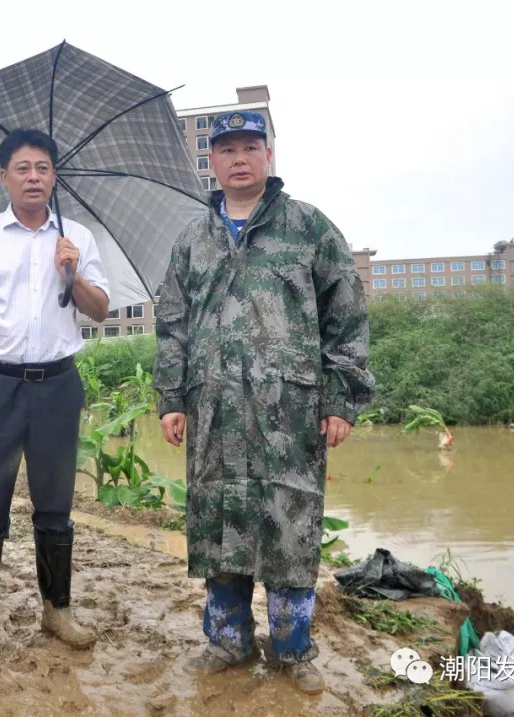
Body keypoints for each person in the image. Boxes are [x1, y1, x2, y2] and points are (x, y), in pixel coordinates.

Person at [153, 110, 375, 695]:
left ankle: (293, 649)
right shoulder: (193, 239)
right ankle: (227, 639)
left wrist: (341, 398)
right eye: (226, 150)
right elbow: (172, 323)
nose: (239, 159)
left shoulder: (308, 227)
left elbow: (346, 316)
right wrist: (171, 398)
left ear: (268, 156)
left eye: (250, 147)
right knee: (219, 524)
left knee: (290, 525)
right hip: (214, 411)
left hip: (291, 414)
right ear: (214, 162)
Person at [0, 128, 111, 663]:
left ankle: (56, 608)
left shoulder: (76, 237)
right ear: (4, 177)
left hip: (59, 385)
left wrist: (75, 271)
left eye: (42, 167)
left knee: (55, 505)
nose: (33, 176)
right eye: (22, 168)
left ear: (54, 176)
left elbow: (101, 308)